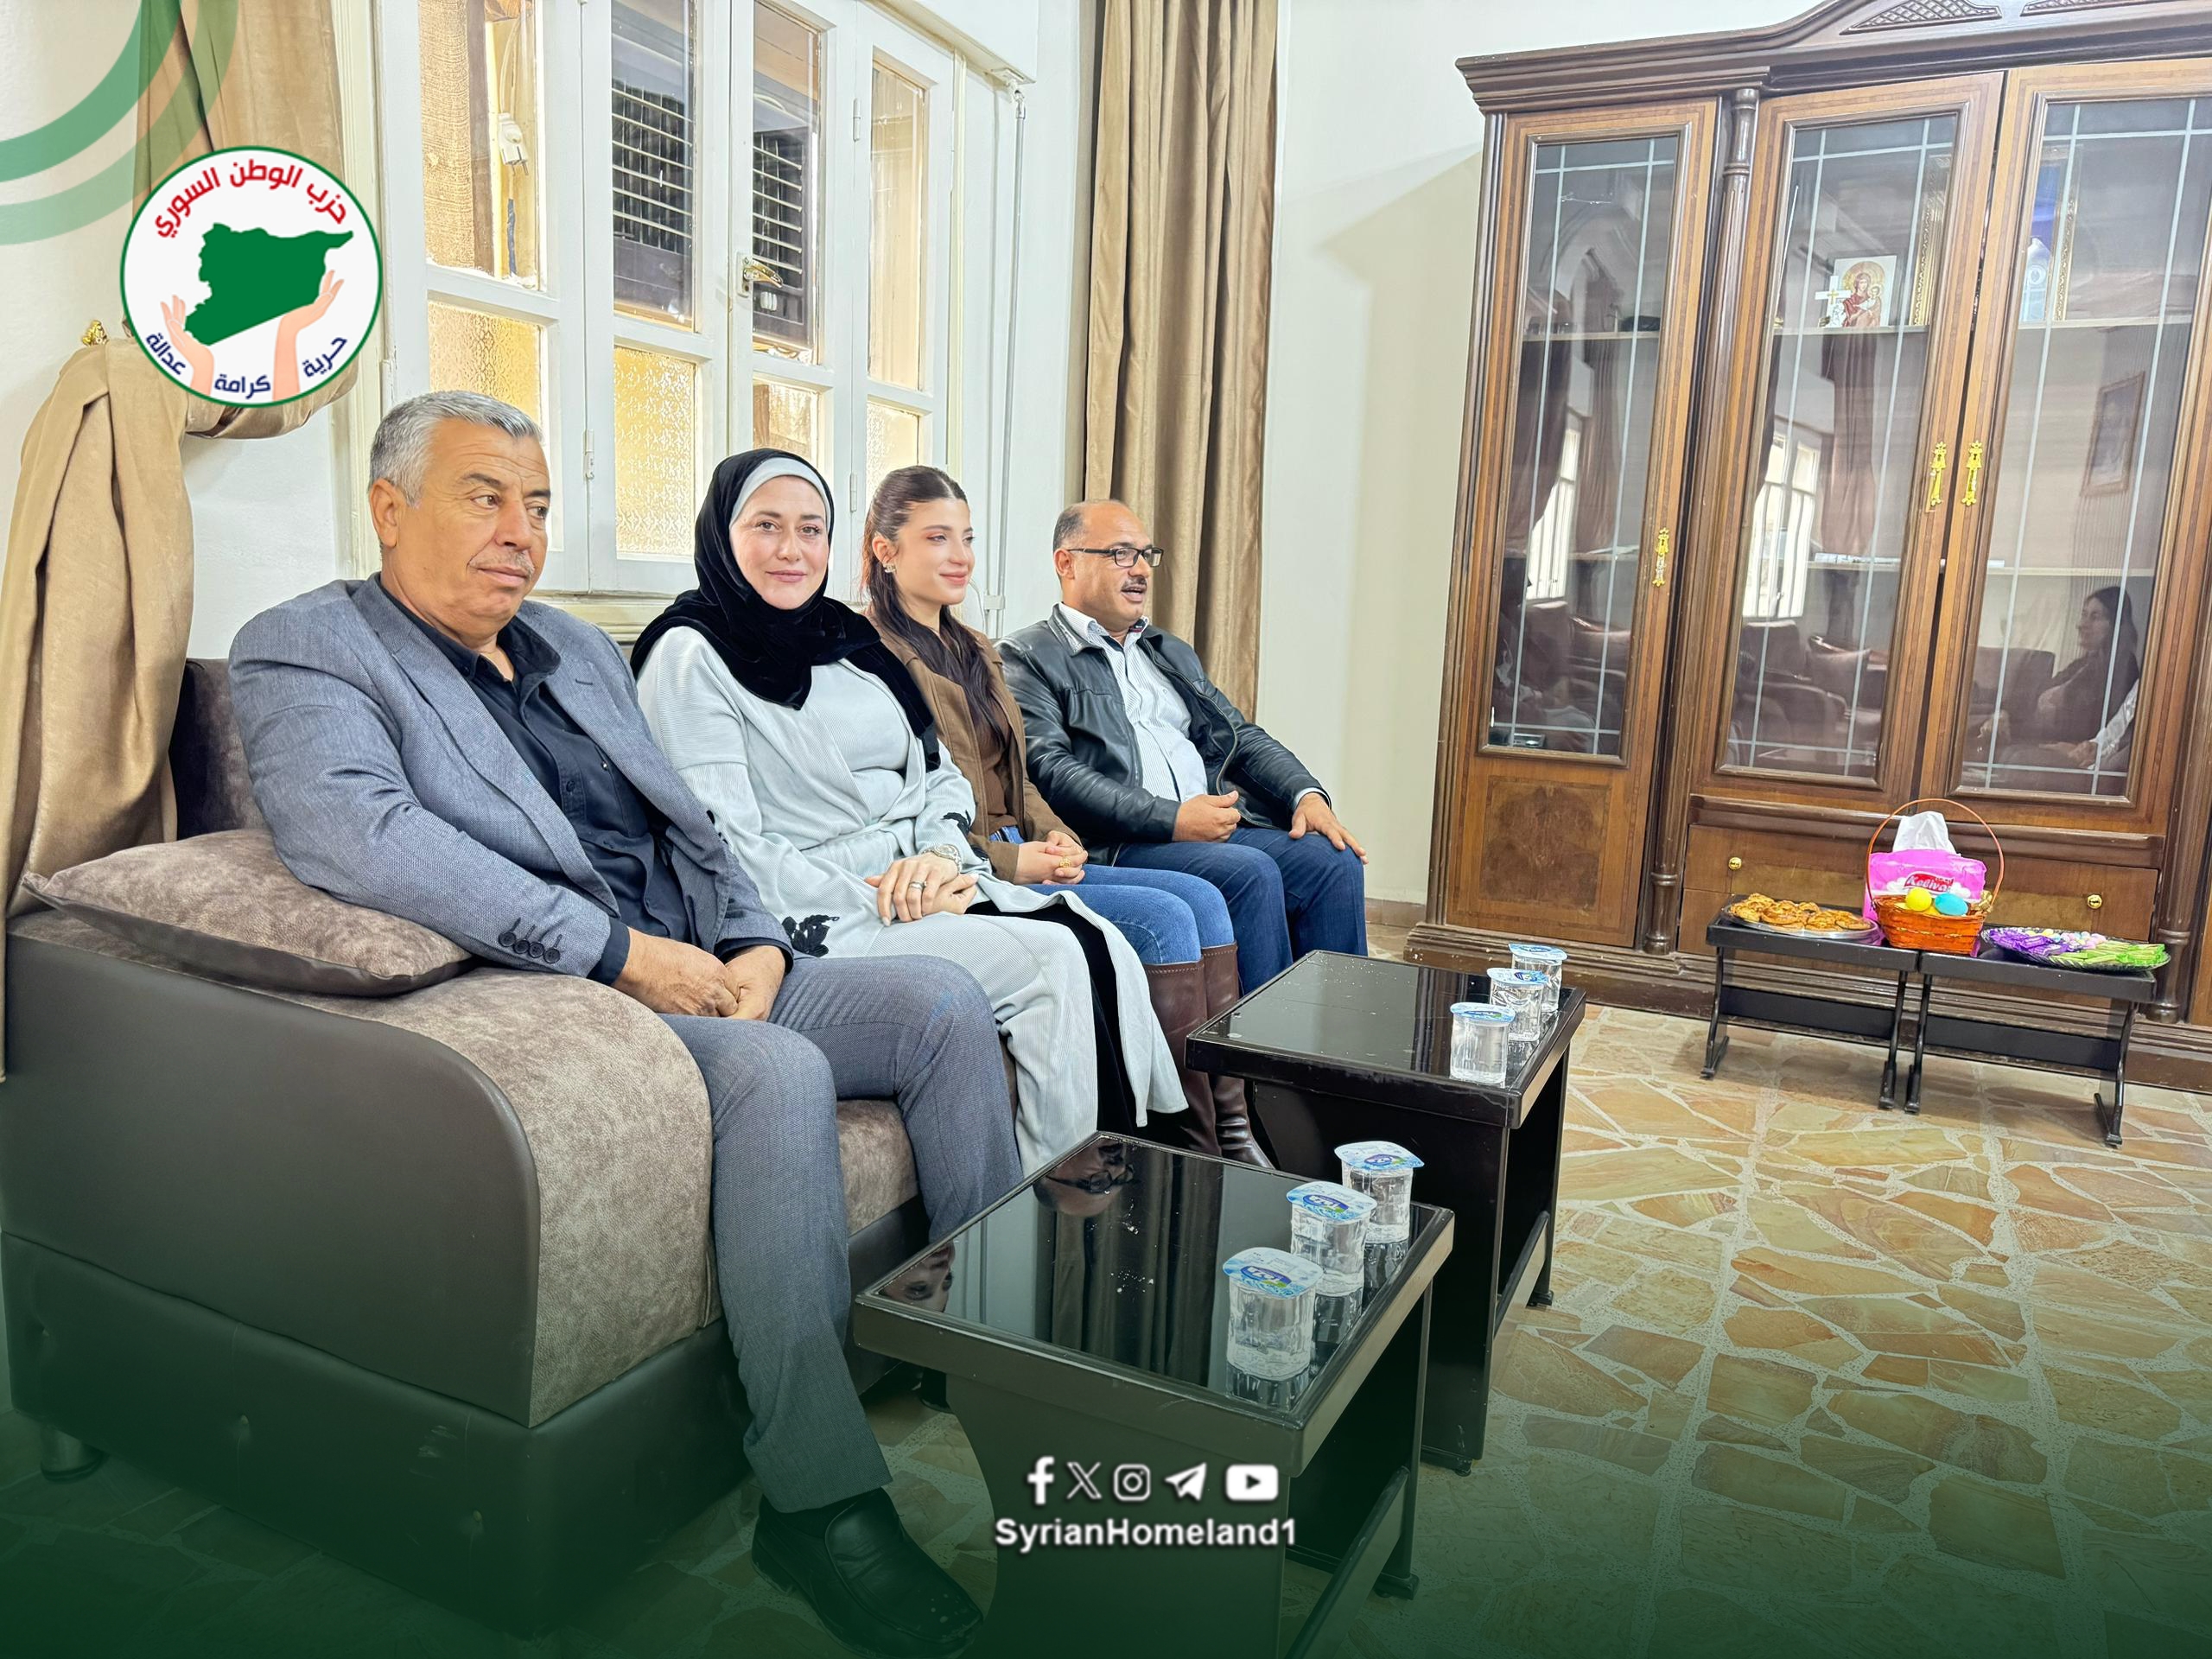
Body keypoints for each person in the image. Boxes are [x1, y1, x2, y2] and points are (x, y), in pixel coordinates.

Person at [227, 392, 1006, 1659]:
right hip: (567, 993)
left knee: (943, 1006)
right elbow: (361, 834)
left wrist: (753, 937)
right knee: (773, 1069)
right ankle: (818, 1502)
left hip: (696, 956)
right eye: (484, 496)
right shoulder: (307, 646)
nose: (520, 533)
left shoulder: (576, 648)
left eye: (537, 505)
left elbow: (689, 823)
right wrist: (623, 956)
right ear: (388, 507)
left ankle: (982, 1354)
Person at [631, 449, 1188, 1174]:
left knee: (1095, 938)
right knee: (1053, 958)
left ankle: (1140, 1164)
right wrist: (888, 892)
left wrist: (940, 860)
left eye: (811, 528)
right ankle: (1055, 1199)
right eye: (766, 526)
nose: (792, 549)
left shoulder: (848, 640)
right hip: (825, 907)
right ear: (721, 534)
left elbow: (942, 778)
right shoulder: (688, 657)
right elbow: (727, 849)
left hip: (921, 878)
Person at [857, 465, 1268, 1164]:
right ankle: (1185, 1143)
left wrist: (1058, 836)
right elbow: (913, 808)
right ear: (885, 550)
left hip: (1025, 852)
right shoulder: (872, 661)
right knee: (1169, 915)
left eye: (968, 538)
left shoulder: (974, 648)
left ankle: (1232, 1126)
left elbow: (1021, 775)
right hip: (971, 868)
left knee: (1203, 899)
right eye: (937, 538)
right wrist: (1008, 858)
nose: (961, 556)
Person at [1001, 499, 1370, 993]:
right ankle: (1260, 1039)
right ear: (1066, 563)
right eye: (1120, 554)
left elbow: (1239, 736)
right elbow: (1052, 772)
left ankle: (1339, 1032)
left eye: (1145, 555)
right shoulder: (1026, 655)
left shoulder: (1165, 650)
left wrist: (1306, 795)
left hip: (1206, 827)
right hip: (1120, 842)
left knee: (1332, 860)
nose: (1140, 570)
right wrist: (1172, 819)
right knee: (1251, 872)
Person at [1980, 587, 2143, 788]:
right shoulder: (2084, 664)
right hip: (2035, 734)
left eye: (2095, 617)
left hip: (2063, 746)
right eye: (2084, 615)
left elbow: (2106, 727)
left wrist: (2078, 746)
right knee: (1984, 724)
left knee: (2015, 757)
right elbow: (2035, 694)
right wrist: (2004, 713)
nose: (2081, 624)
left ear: (2115, 625)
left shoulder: (2122, 668)